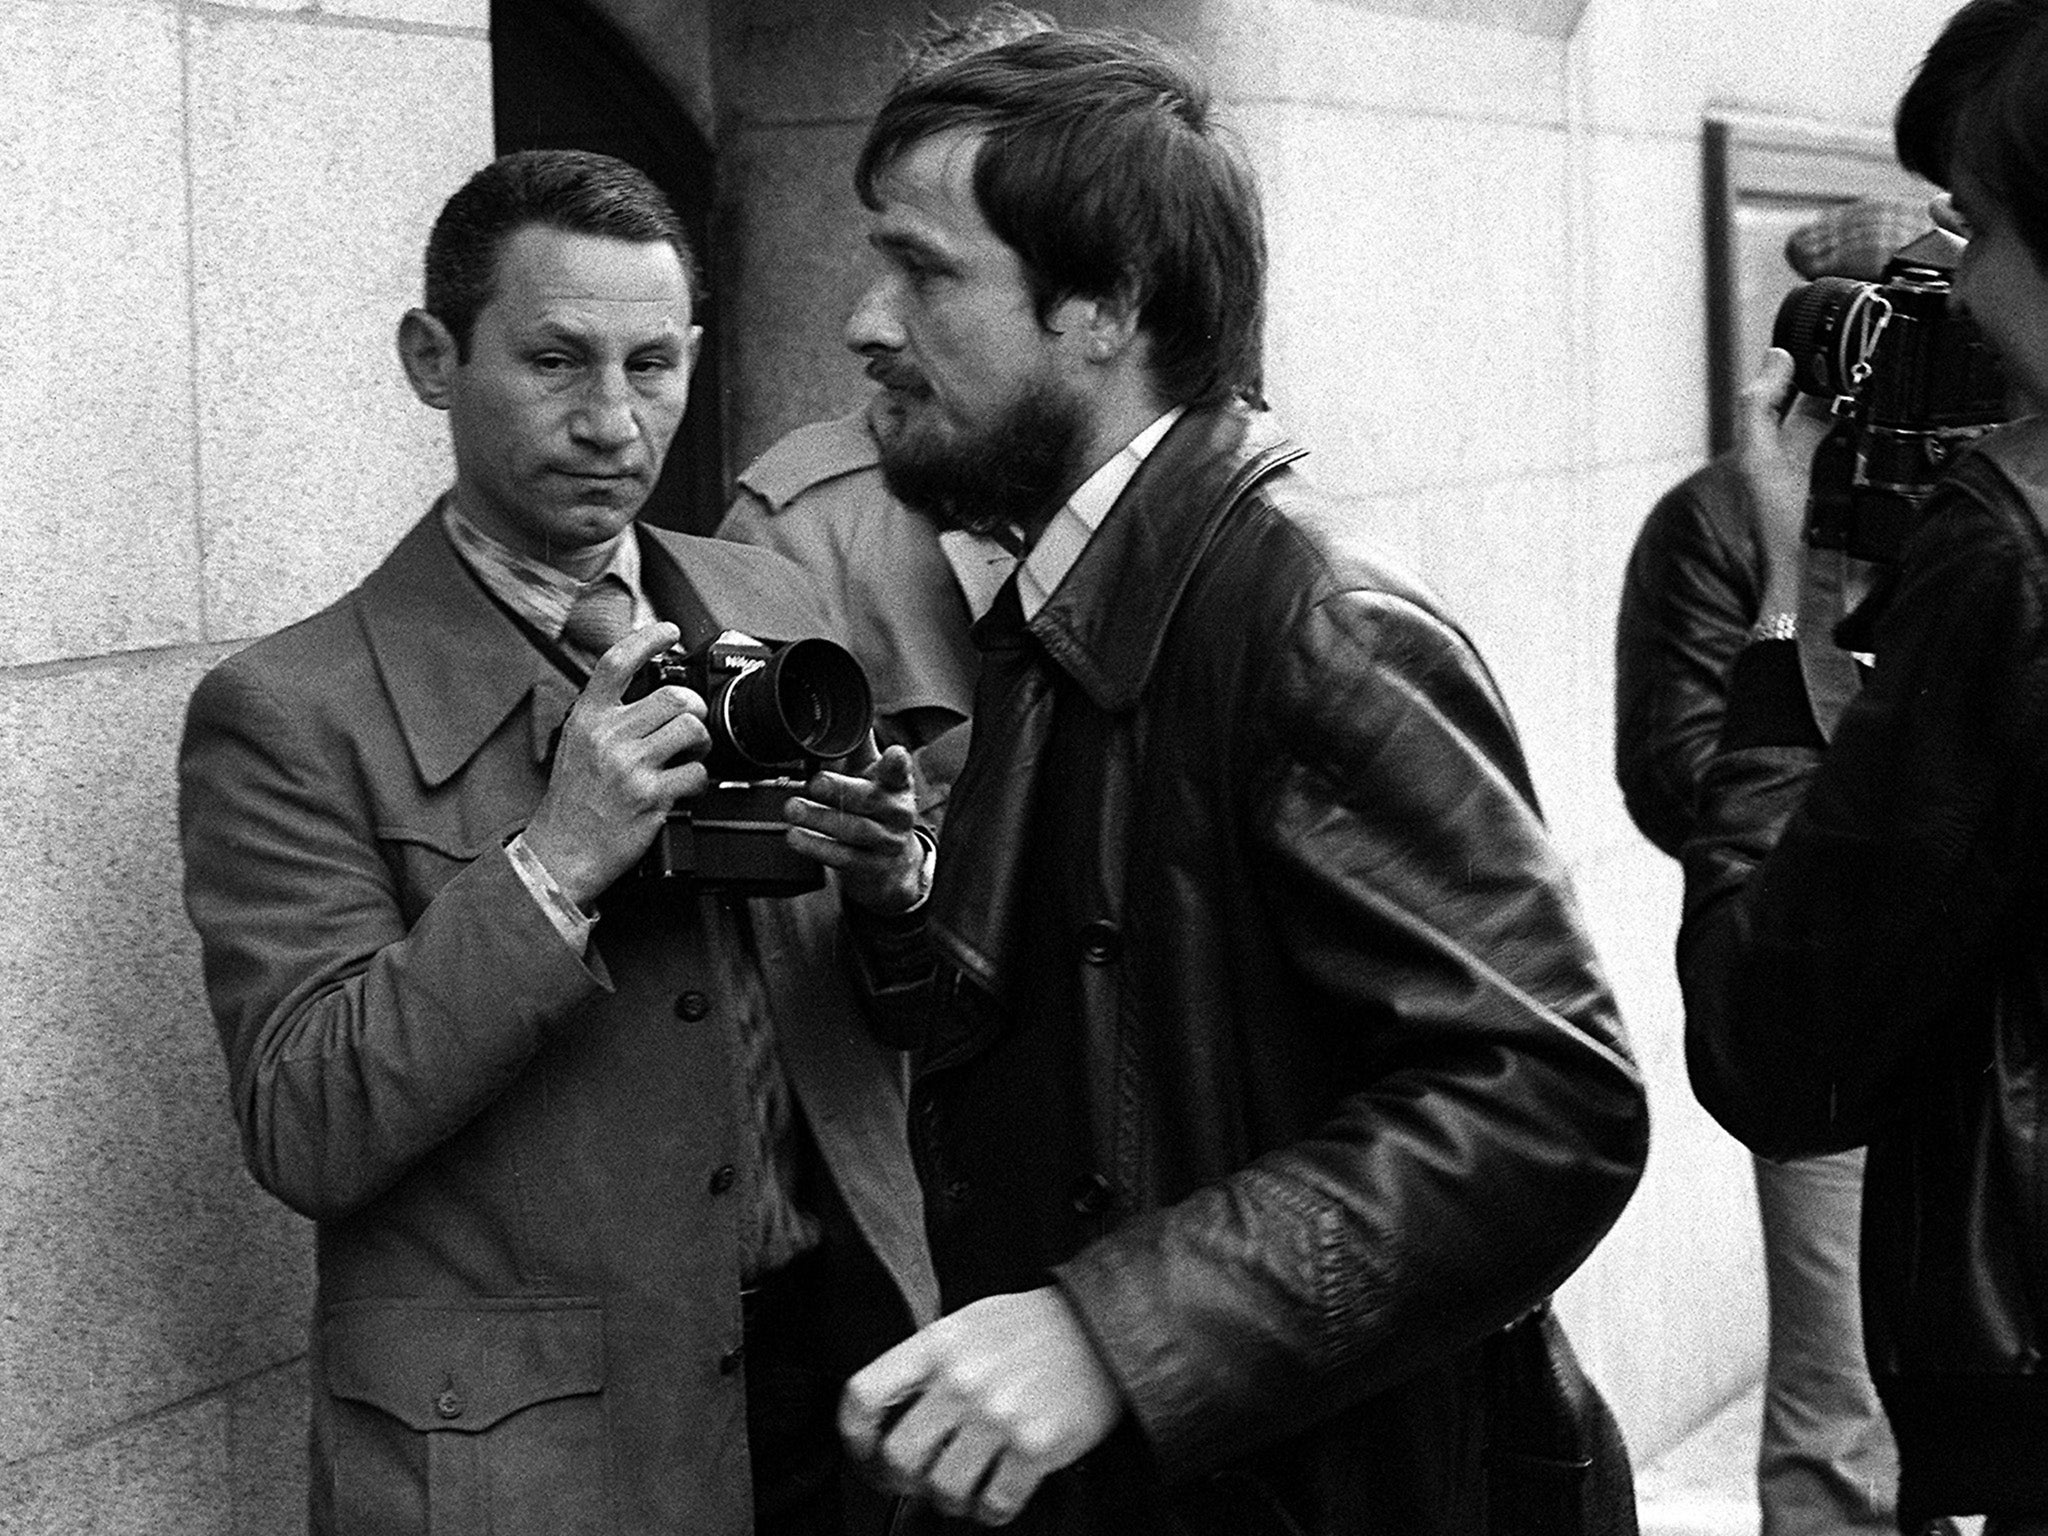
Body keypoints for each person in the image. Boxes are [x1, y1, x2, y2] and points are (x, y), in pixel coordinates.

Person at [814, 27, 1651, 1534]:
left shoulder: (1310, 622)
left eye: (924, 270)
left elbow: (1550, 1104)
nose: (866, 321)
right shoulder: (1064, 586)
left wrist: (1105, 1334)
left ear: (1106, 305)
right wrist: (895, 911)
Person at [176, 149, 936, 1536]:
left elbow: (903, 1020)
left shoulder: (769, 601)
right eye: (554, 360)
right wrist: (555, 866)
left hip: (838, 1382)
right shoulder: (289, 714)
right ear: (430, 357)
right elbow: (306, 1126)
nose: (612, 421)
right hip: (540, 1460)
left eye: (653, 365)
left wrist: (893, 892)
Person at [1680, 1, 2048, 1527]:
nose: (1956, 278)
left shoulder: (2009, 547)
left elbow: (1778, 1043)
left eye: (1970, 222)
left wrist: (1782, 613)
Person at [1615, 200, 1923, 1536]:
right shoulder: (1718, 522)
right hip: (1832, 998)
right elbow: (1677, 774)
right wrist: (1800, 625)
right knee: (1841, 1403)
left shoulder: (1990, 507)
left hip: (1987, 1007)